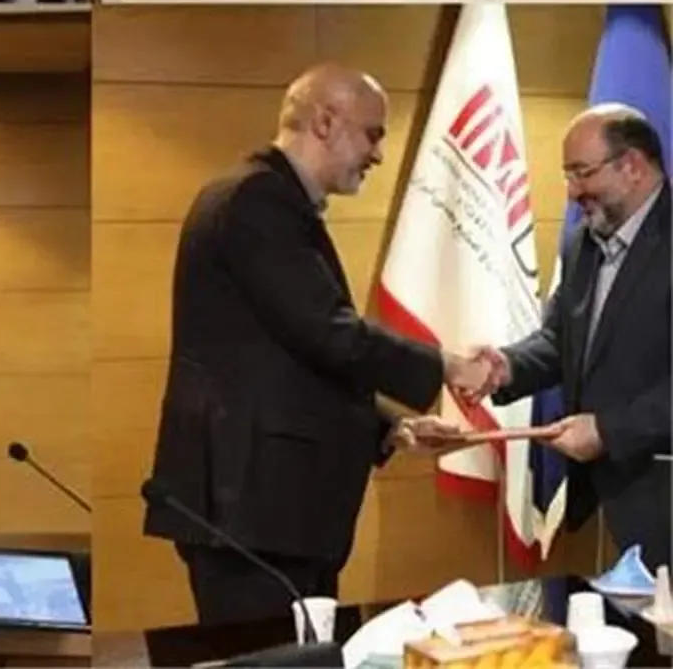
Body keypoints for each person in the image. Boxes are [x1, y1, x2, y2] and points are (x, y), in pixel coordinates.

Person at [141, 64, 487, 625]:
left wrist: (391, 428)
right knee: (270, 657)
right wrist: (446, 365)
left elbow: (286, 360)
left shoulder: (267, 199)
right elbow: (327, 331)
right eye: (373, 133)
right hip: (253, 512)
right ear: (325, 122)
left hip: (273, 513)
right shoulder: (256, 200)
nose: (378, 154)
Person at [470, 104, 670, 572]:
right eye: (568, 175)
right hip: (597, 506)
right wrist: (506, 366)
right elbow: (562, 339)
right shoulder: (583, 242)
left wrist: (608, 430)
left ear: (632, 166)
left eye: (582, 173)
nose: (572, 191)